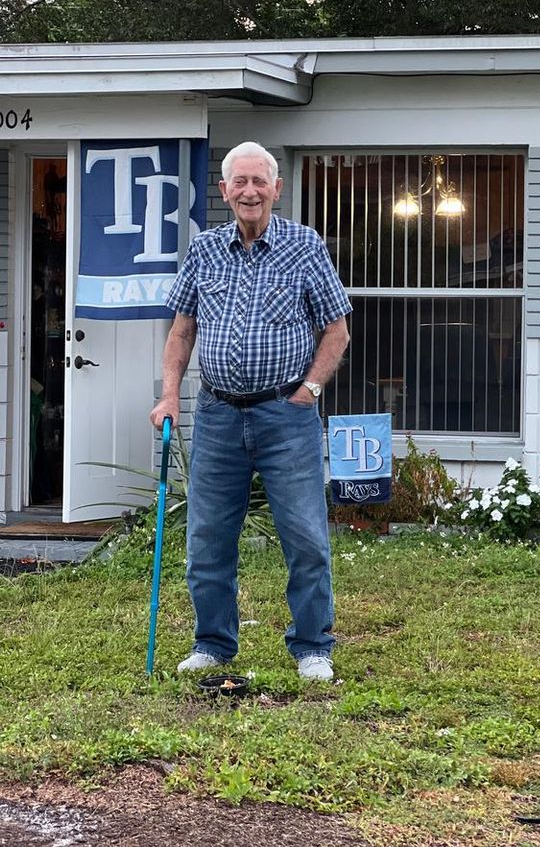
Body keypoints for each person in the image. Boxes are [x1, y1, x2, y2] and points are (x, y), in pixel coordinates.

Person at [149, 141, 351, 682]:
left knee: (305, 536)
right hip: (216, 414)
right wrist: (170, 394)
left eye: (259, 181)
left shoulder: (304, 247)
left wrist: (309, 388)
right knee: (208, 538)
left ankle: (313, 646)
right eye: (239, 182)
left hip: (285, 417)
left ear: (276, 189)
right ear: (224, 191)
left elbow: (337, 329)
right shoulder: (206, 250)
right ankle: (213, 643)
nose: (250, 191)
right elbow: (182, 329)